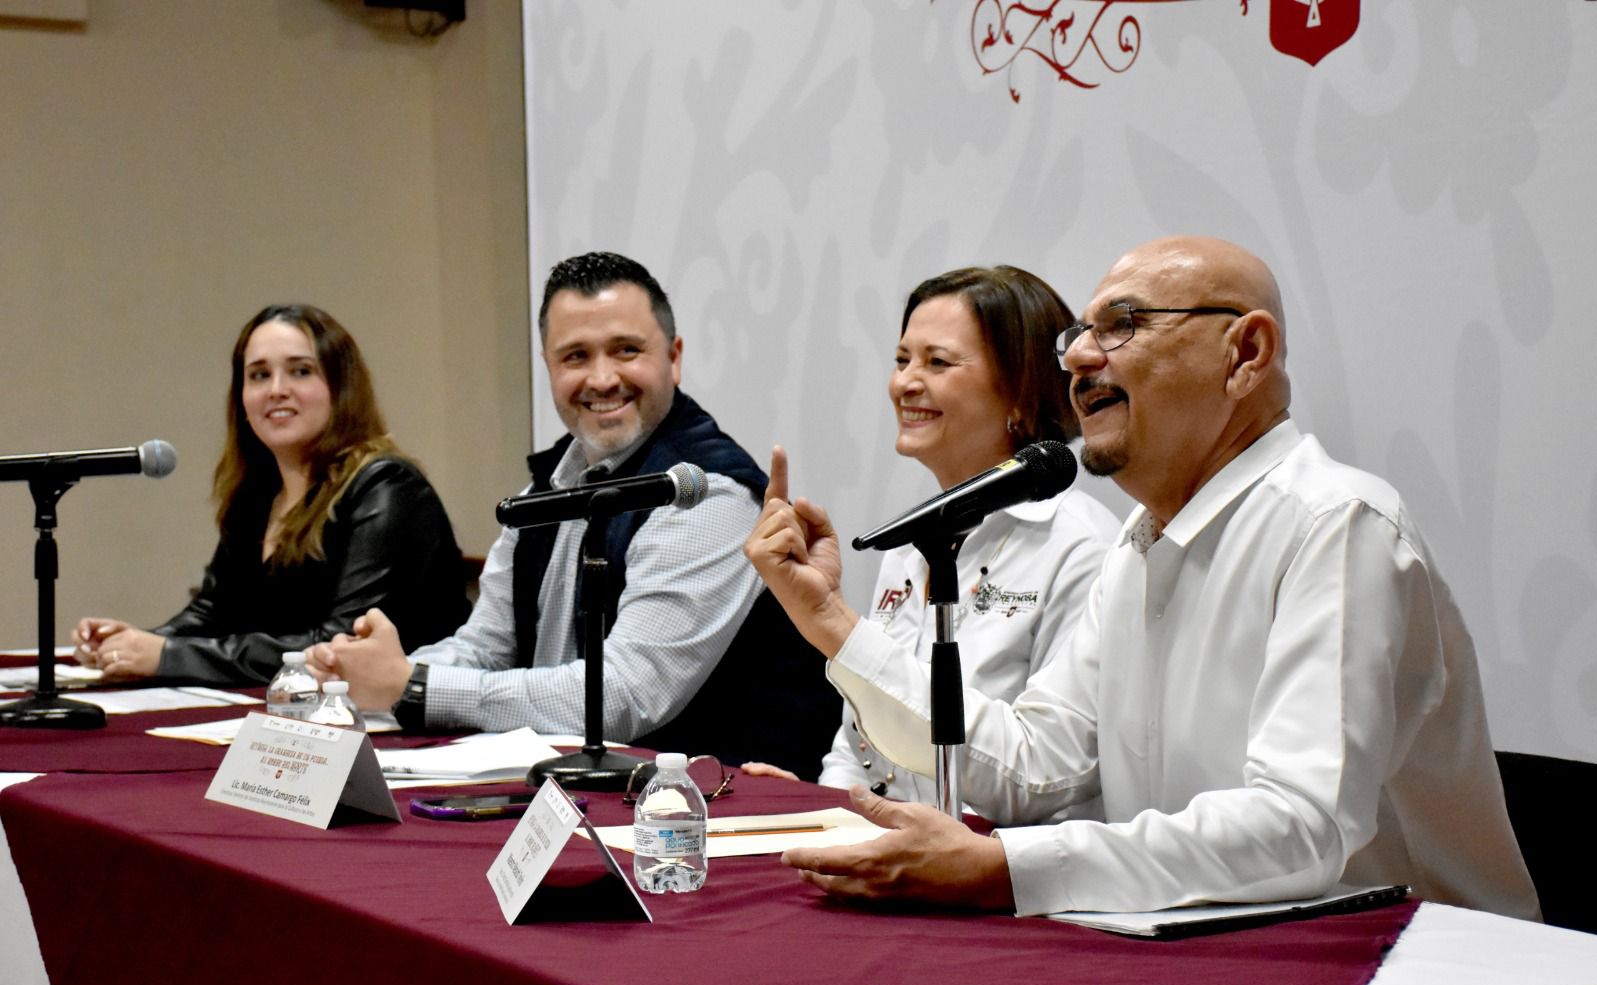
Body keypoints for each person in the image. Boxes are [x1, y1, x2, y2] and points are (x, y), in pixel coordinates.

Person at [746, 235, 1540, 919]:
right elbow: (1034, 766)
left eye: (1122, 325)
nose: (1078, 358)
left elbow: (1302, 828)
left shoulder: (1336, 523)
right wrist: (830, 623)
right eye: (1079, 336)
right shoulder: (1139, 544)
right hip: (1200, 944)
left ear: (1246, 354)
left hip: (1411, 974)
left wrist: (1007, 869)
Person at [311, 252, 837, 776]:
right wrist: (364, 672)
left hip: (716, 809)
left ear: (674, 358)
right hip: (578, 794)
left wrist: (413, 687)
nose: (602, 378)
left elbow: (624, 694)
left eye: (626, 350)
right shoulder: (551, 486)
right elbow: (486, 647)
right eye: (576, 357)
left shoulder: (706, 492)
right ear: (549, 366)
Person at [744, 266, 1119, 805]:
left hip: (1002, 854)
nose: (904, 383)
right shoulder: (915, 539)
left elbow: (1040, 779)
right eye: (902, 360)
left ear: (1021, 390)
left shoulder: (1080, 546)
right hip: (892, 844)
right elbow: (859, 746)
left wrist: (831, 620)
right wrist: (823, 806)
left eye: (937, 362)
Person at [73, 304, 469, 686]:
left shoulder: (387, 487)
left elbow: (338, 647)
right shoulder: (257, 493)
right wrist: (131, 644)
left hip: (396, 717)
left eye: (300, 371)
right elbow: (213, 612)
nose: (277, 390)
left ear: (341, 388)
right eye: (259, 375)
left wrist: (167, 655)